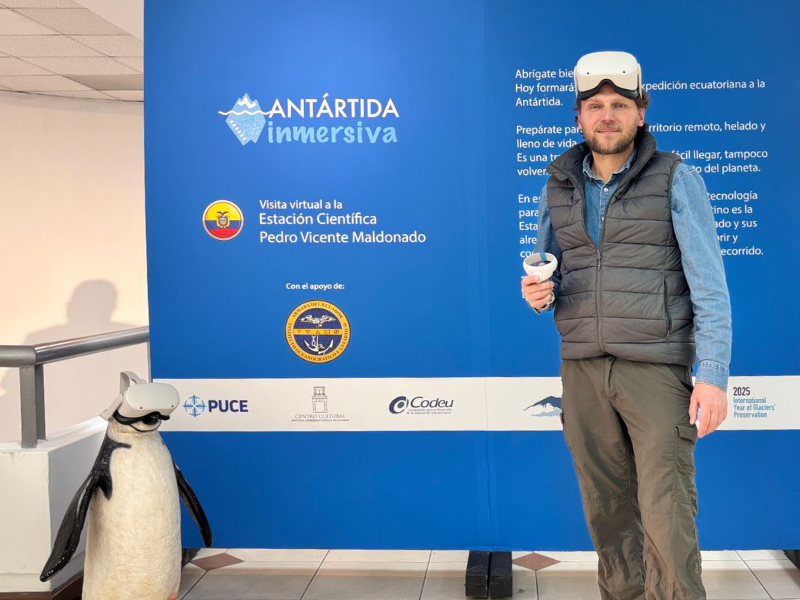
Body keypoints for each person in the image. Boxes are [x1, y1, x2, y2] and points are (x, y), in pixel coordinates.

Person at [521, 51, 732, 600]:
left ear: (641, 112)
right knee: (608, 513)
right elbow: (550, 271)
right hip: (583, 371)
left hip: (654, 370)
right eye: (595, 106)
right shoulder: (558, 185)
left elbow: (709, 284)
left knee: (666, 512)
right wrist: (538, 294)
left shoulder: (675, 178)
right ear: (578, 117)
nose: (607, 115)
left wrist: (713, 375)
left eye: (619, 104)